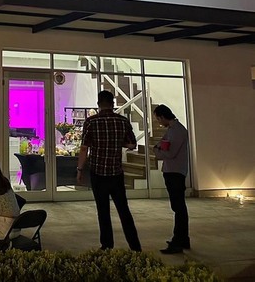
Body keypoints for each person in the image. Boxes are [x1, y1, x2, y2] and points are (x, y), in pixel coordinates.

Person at [77, 90, 142, 251]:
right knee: (124, 210)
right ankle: (135, 246)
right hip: (116, 173)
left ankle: (107, 245)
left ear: (98, 104)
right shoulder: (122, 121)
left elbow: (84, 148)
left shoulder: (91, 122)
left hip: (98, 173)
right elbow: (132, 144)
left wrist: (79, 169)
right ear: (112, 103)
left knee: (103, 210)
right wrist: (118, 143)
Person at [153, 104, 190, 254]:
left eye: (158, 119)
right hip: (172, 171)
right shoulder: (172, 130)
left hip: (175, 172)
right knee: (178, 207)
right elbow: (161, 145)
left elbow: (169, 152)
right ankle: (182, 238)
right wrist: (159, 148)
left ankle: (179, 240)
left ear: (163, 117)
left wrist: (158, 151)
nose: (159, 122)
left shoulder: (177, 131)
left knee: (178, 207)